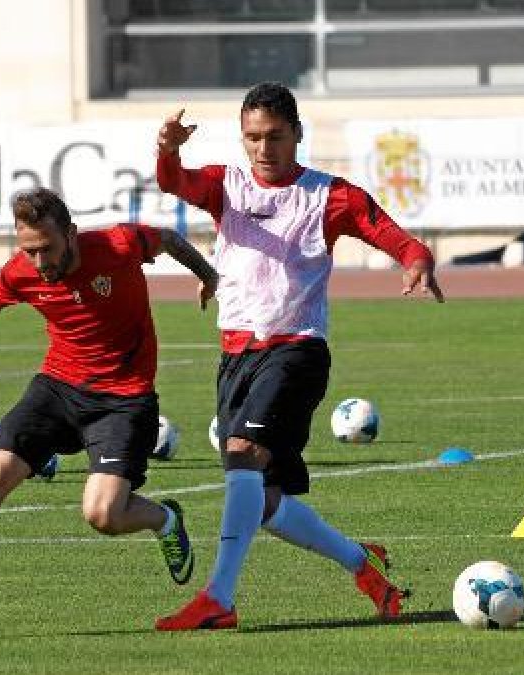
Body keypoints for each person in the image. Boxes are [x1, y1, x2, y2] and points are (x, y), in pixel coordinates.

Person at [0, 187, 219, 641]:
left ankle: (164, 520)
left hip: (124, 398)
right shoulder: (23, 270)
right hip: (57, 389)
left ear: (70, 234)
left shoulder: (118, 245)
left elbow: (170, 238)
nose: (37, 261)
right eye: (28, 250)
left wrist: (207, 274)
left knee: (103, 515)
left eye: (46, 248)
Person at [153, 82, 445, 631]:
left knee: (240, 452)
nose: (263, 149)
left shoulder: (327, 196)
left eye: (275, 137)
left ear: (297, 135)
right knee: (261, 501)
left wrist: (417, 259)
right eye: (253, 138)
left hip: (296, 351)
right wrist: (167, 149)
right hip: (236, 355)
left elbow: (391, 235)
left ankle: (219, 597)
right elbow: (176, 182)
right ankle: (364, 567)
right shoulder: (226, 184)